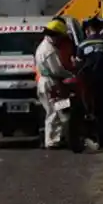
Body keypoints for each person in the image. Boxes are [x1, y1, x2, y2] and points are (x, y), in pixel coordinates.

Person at [74, 13, 103, 148]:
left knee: (88, 110)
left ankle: (90, 137)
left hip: (88, 82)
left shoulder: (82, 45)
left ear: (88, 30)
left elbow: (78, 64)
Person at [34, 19, 76, 149]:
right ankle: (52, 141)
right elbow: (57, 70)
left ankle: (58, 137)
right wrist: (72, 75)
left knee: (59, 110)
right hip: (50, 83)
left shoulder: (45, 45)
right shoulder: (49, 51)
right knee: (54, 112)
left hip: (49, 82)